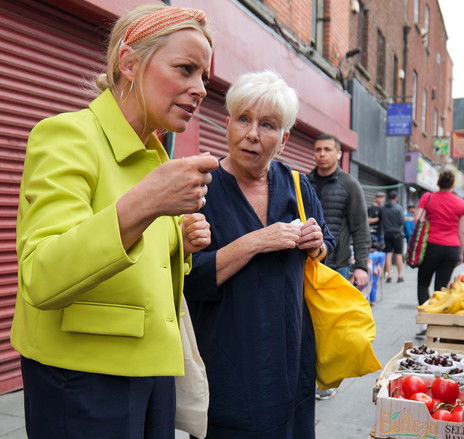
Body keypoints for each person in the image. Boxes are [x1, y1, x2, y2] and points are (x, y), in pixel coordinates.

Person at [11, 6, 217, 437]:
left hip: (154, 374)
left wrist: (181, 245)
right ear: (129, 62)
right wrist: (144, 204)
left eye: (204, 76)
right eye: (185, 69)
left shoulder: (153, 155)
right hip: (82, 378)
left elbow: (143, 270)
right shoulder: (68, 135)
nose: (200, 89)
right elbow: (43, 275)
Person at [184, 71, 335, 437]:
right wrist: (256, 241)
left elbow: (328, 247)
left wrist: (318, 243)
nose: (252, 134)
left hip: (290, 358)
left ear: (283, 139)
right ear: (227, 124)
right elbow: (190, 278)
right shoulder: (200, 189)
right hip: (228, 363)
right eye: (243, 119)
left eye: (267, 125)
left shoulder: (298, 186)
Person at [308, 133, 370, 400]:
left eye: (327, 149)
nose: (321, 154)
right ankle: (308, 374)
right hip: (307, 265)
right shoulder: (303, 182)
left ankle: (329, 379)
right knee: (308, 324)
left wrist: (362, 265)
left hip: (338, 266)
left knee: (333, 328)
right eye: (317, 149)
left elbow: (360, 228)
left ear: (337, 154)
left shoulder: (349, 185)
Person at [414, 169, 464, 313]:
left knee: (423, 283)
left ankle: (424, 321)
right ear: (452, 184)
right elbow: (462, 232)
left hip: (431, 246)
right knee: (442, 288)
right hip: (451, 248)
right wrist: (461, 253)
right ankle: (436, 323)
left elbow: (417, 219)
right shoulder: (461, 203)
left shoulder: (428, 197)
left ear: (439, 182)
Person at [381, 191, 406, 282]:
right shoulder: (399, 208)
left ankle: (389, 276)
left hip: (387, 233)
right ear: (396, 198)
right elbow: (402, 222)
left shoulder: (383, 208)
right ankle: (400, 276)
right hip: (397, 233)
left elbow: (381, 219)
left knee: (388, 254)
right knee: (398, 254)